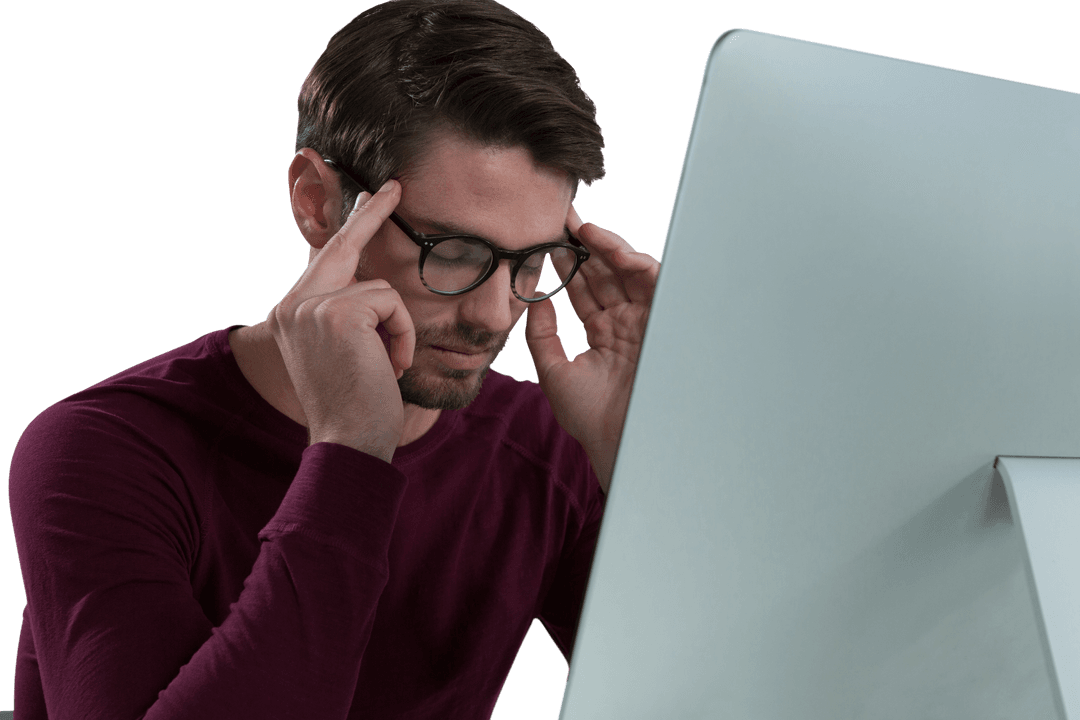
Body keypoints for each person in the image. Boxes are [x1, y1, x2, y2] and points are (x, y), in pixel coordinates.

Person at [8, 0, 659, 717]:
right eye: (454, 252)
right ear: (317, 202)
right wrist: (351, 452)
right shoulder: (102, 452)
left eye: (534, 263)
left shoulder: (548, 446)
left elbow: (696, 699)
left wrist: (642, 466)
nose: (492, 313)